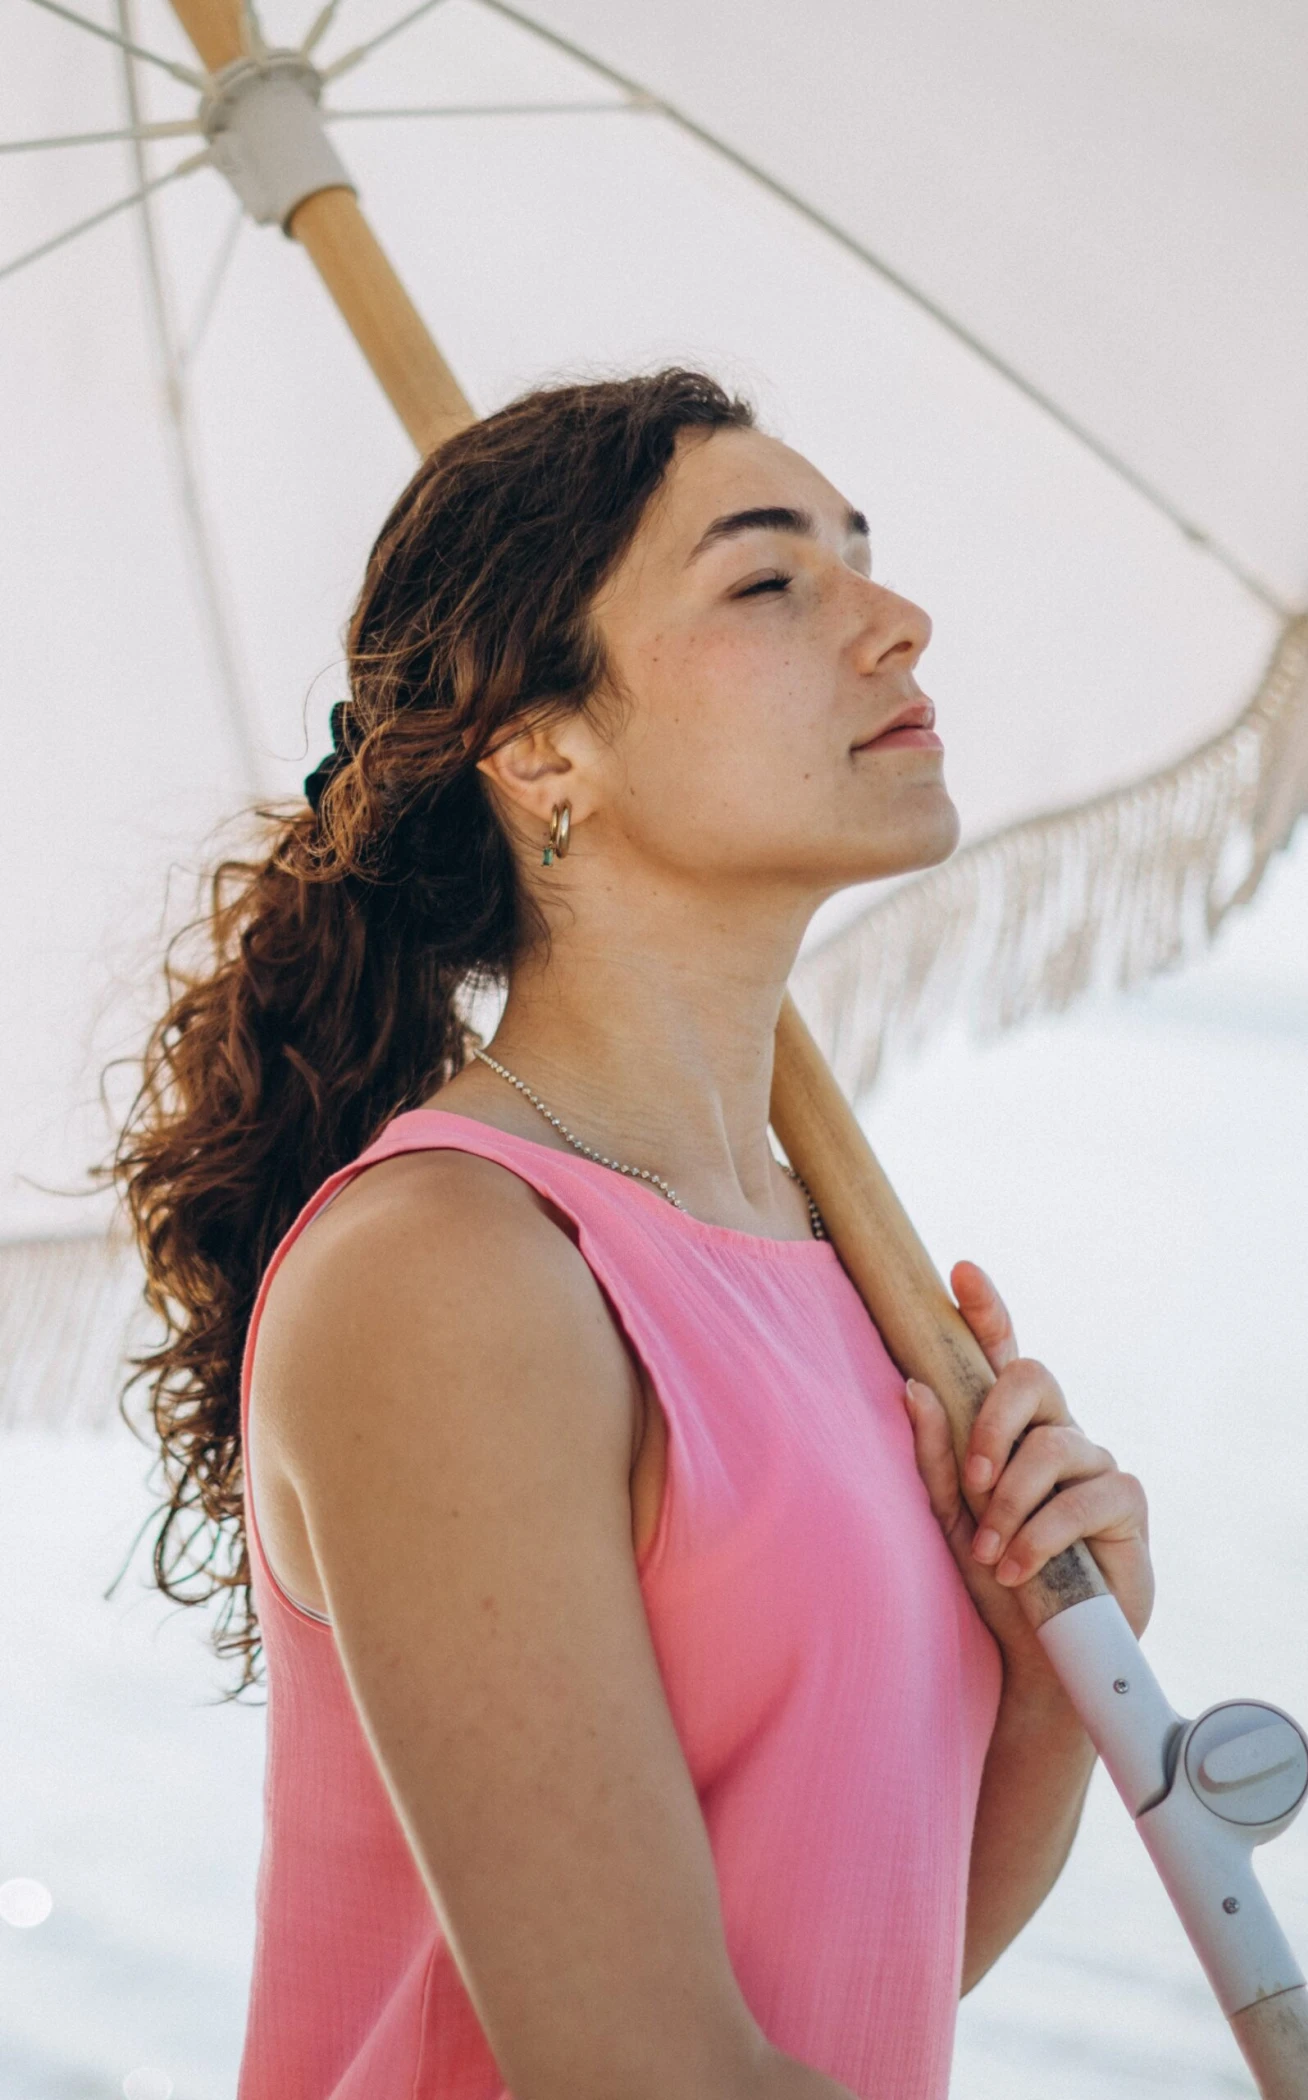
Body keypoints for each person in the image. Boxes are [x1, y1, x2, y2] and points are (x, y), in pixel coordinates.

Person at [116, 371, 1152, 2100]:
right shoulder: (451, 1269)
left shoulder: (833, 1268)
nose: (896, 619)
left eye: (860, 556)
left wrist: (1050, 1695)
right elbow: (642, 2068)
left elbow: (860, 1976)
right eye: (770, 579)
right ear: (542, 750)